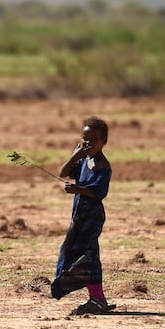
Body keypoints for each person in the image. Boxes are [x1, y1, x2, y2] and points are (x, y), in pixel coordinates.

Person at [51, 116, 115, 315]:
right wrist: (74, 156)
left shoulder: (103, 166)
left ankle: (97, 299)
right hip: (79, 216)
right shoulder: (84, 161)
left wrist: (79, 189)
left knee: (88, 256)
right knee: (76, 253)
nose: (89, 142)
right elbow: (63, 172)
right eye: (85, 138)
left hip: (92, 217)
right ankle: (97, 298)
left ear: (104, 141)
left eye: (94, 139)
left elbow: (99, 192)